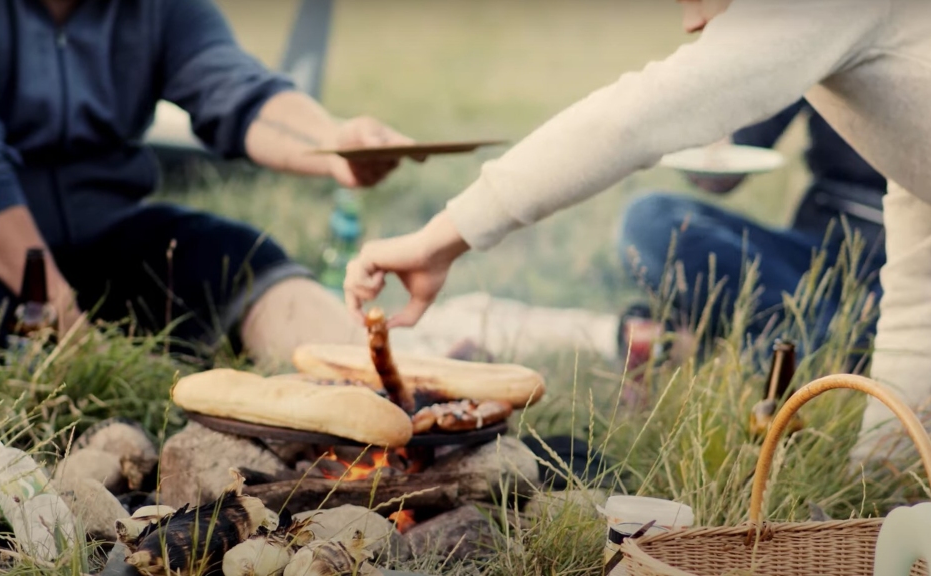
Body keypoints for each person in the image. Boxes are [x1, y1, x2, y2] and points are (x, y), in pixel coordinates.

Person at [342, 0, 931, 468]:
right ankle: (821, 350)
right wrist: (877, 474)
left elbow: (631, 118)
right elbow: (918, 272)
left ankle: (819, 350)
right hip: (830, 253)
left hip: (858, 269)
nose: (692, 20)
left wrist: (441, 238)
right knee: (655, 221)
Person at [0, 0, 413, 365]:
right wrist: (66, 322)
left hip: (104, 241)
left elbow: (236, 89)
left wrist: (333, 140)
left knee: (238, 257)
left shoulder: (161, 8)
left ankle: (375, 388)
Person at [616, 100, 886, 382]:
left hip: (912, 264)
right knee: (648, 218)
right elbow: (738, 149)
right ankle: (817, 343)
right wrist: (707, 149)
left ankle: (703, 346)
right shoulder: (819, 56)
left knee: (910, 327)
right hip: (809, 255)